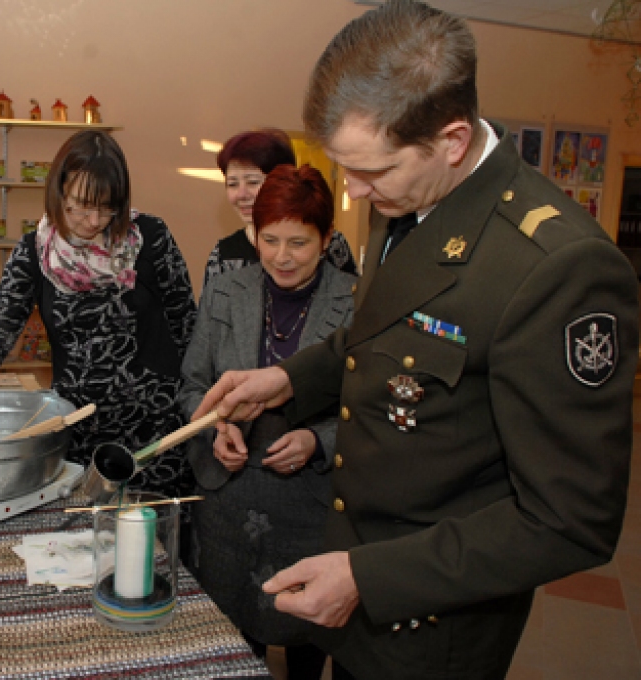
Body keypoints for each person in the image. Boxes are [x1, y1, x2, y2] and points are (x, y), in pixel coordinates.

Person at [194, 2, 640, 679]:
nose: (360, 194)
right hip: (355, 586)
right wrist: (290, 380)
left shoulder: (556, 267)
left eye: (373, 173)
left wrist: (369, 577)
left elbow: (570, 520)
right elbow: (381, 338)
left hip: (431, 622)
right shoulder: (406, 197)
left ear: (453, 140)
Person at [0, 130, 198, 500]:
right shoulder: (34, 253)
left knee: (158, 543)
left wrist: (197, 407)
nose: (94, 219)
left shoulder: (151, 238)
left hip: (157, 439)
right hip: (79, 435)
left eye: (107, 207)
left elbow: (188, 328)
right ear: (58, 191)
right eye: (81, 205)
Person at [179, 164, 356, 679]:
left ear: (326, 239)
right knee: (230, 645)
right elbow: (190, 385)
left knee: (308, 636)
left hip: (311, 507)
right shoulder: (225, 293)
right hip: (227, 506)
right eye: (269, 238)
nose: (282, 256)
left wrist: (318, 441)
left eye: (299, 242)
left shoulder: (356, 303)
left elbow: (371, 412)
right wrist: (215, 427)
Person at [205, 129, 356, 288]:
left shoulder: (332, 244)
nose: (241, 194)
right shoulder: (223, 254)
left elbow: (354, 302)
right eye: (232, 184)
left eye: (253, 182)